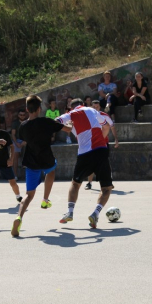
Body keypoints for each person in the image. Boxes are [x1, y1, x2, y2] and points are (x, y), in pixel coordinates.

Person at [11, 95, 72, 237]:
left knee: (28, 195)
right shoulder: (47, 122)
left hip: (31, 160)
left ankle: (19, 217)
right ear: (40, 109)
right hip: (46, 158)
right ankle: (45, 200)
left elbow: (24, 138)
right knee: (51, 171)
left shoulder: (23, 126)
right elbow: (68, 129)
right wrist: (71, 121)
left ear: (27, 109)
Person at [57, 98, 113, 229]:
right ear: (82, 104)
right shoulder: (92, 110)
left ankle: (70, 212)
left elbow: (56, 122)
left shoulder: (71, 115)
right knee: (106, 188)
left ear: (72, 107)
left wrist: (67, 128)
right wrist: (102, 140)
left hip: (84, 154)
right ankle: (95, 213)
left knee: (75, 184)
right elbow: (106, 126)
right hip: (100, 150)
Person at [85, 100, 119, 190]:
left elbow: (112, 126)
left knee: (105, 163)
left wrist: (116, 139)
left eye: (97, 106)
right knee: (91, 163)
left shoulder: (104, 115)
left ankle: (109, 182)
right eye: (94, 106)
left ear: (100, 107)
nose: (96, 108)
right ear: (92, 107)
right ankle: (89, 183)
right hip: (92, 143)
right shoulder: (88, 116)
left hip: (103, 143)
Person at [10, 109, 27, 180]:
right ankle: (15, 175)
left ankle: (27, 175)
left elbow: (30, 134)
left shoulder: (27, 122)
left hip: (25, 140)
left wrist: (25, 141)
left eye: (23, 115)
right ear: (18, 115)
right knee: (15, 155)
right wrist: (17, 143)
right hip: (16, 140)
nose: (22, 116)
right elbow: (13, 134)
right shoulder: (15, 123)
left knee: (28, 154)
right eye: (20, 115)